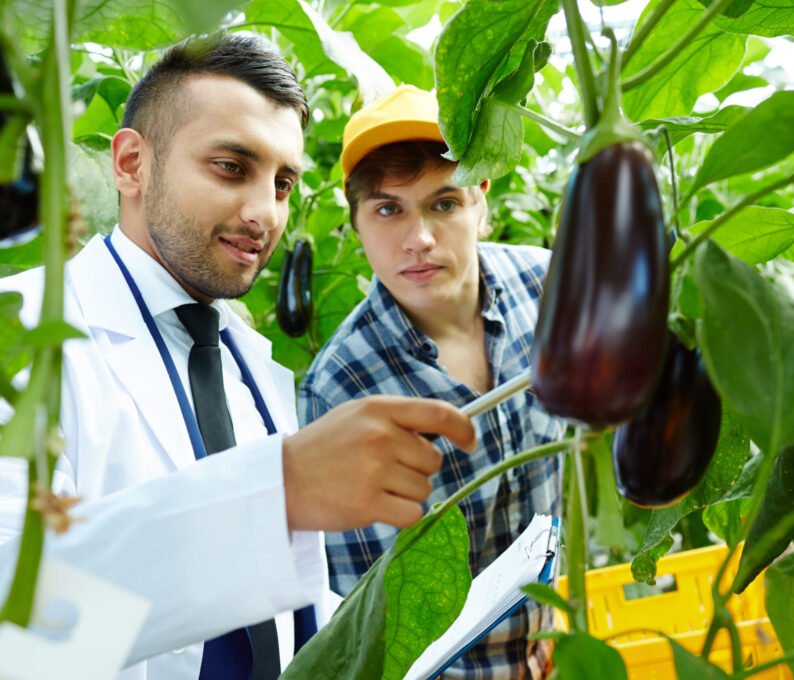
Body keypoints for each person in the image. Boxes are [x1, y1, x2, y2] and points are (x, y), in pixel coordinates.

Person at [0, 35, 475, 680]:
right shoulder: (21, 337)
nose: (263, 213)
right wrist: (281, 494)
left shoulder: (244, 357)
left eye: (282, 183)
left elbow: (270, 617)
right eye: (231, 167)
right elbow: (16, 636)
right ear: (132, 164)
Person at [297, 85, 566, 679]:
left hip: (554, 650)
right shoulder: (341, 386)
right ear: (357, 226)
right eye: (388, 209)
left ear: (481, 201)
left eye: (443, 204)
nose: (417, 239)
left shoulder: (545, 290)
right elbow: (367, 620)